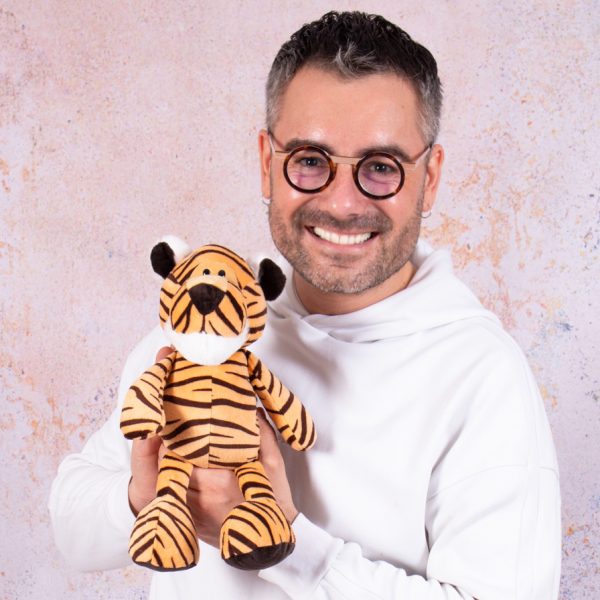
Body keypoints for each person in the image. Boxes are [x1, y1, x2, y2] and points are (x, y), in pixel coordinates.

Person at [49, 10, 561, 599]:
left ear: (431, 177)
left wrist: (290, 544)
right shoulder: (206, 330)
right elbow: (72, 528)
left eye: (381, 168)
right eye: (311, 161)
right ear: (267, 163)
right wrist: (139, 497)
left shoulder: (482, 376)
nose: (342, 204)